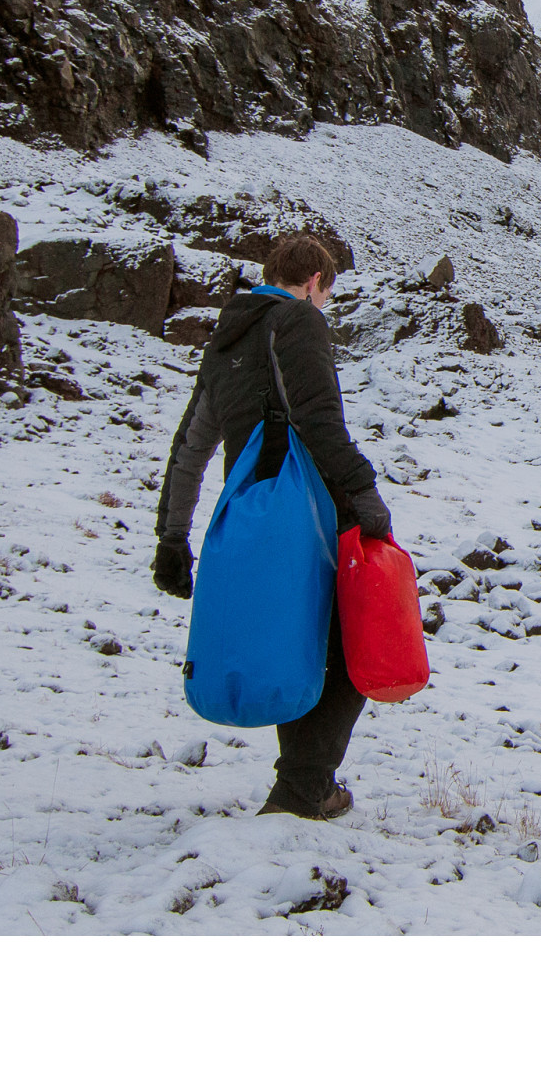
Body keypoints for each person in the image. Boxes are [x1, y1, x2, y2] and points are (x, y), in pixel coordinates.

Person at [152, 232, 392, 820]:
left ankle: (308, 785)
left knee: (299, 641)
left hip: (248, 514)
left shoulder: (227, 338)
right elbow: (319, 420)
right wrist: (365, 494)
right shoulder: (299, 320)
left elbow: (190, 448)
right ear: (314, 282)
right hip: (308, 515)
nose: (325, 304)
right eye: (327, 293)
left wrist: (172, 537)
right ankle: (302, 790)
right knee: (355, 640)